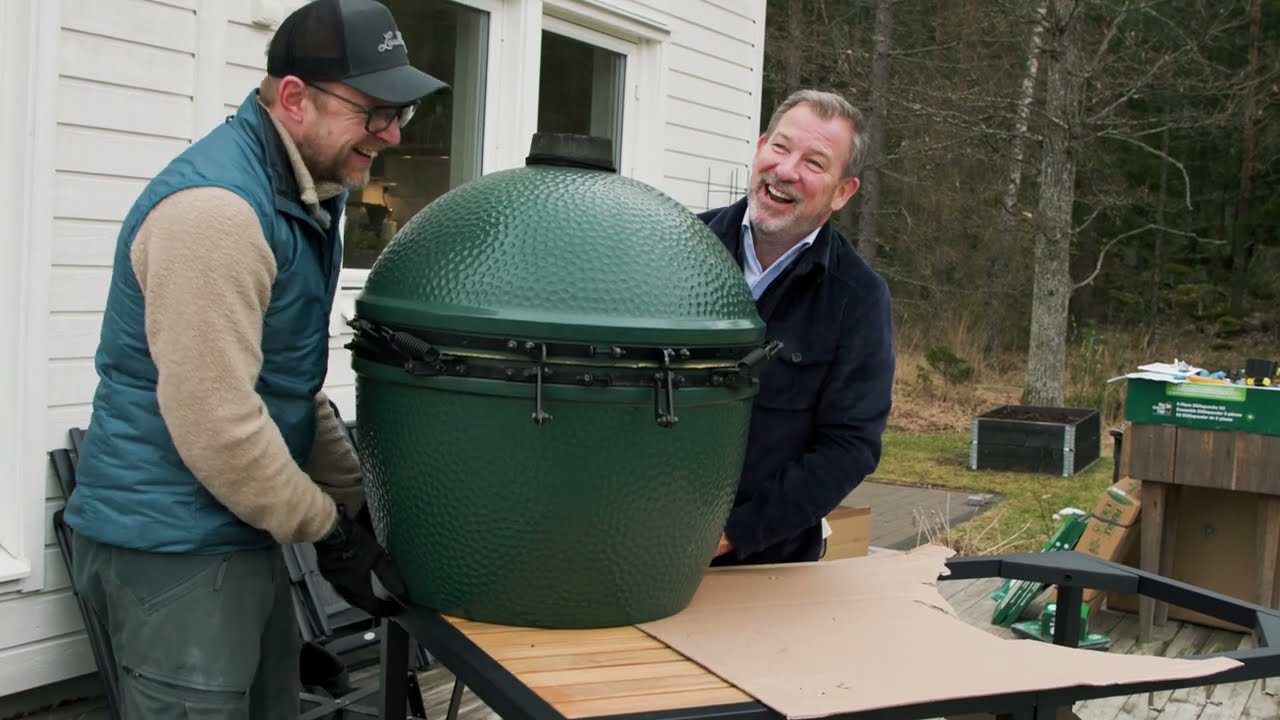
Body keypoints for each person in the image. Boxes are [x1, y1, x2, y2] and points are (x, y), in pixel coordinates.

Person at [62, 0, 448, 716]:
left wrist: (365, 507)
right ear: (296, 97)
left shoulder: (307, 194)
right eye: (375, 112)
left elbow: (287, 390)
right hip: (172, 547)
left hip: (235, 528)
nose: (392, 134)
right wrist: (329, 532)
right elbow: (219, 422)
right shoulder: (217, 214)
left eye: (403, 115)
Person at [701, 89, 895, 566]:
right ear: (760, 147)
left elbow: (849, 447)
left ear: (842, 191)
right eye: (781, 148)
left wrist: (731, 535)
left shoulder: (857, 298)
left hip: (766, 565)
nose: (786, 170)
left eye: (814, 162)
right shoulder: (678, 248)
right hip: (633, 541)